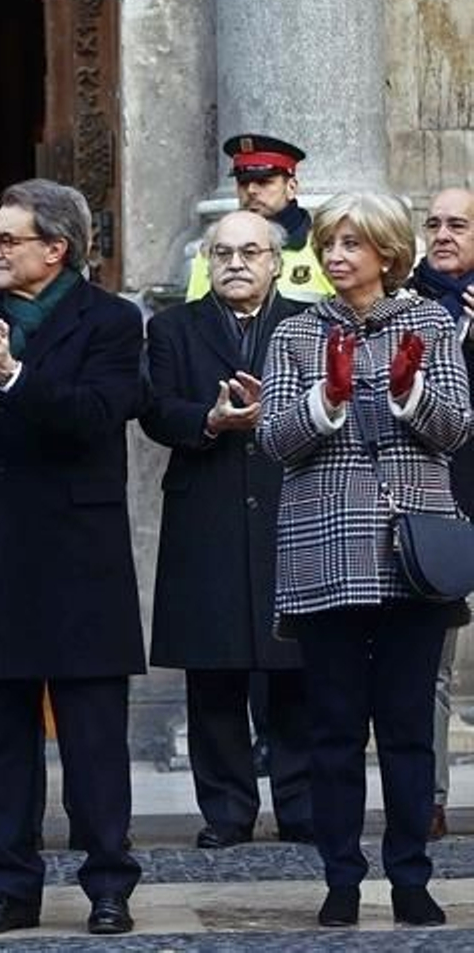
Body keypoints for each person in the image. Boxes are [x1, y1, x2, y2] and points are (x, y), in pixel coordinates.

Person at [0, 179, 144, 937]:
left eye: (6, 239)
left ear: (56, 249)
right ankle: (9, 888)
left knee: (92, 740)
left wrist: (14, 376)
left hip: (81, 557)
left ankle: (109, 883)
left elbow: (94, 418)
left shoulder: (113, 322)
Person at [260, 193, 473, 928]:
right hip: (326, 552)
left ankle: (411, 877)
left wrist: (411, 392)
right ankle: (342, 879)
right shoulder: (295, 333)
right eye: (329, 243)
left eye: (351, 243)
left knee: (410, 726)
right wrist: (327, 397)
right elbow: (275, 441)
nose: (336, 255)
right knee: (335, 727)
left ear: (386, 253)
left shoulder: (431, 324)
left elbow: (454, 431)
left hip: (414, 553)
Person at [141, 210, 312, 849]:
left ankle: (302, 807)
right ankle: (226, 813)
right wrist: (210, 421)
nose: (235, 264)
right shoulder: (171, 328)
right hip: (205, 510)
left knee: (296, 667)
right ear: (205, 263)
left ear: (275, 261)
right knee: (213, 675)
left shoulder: (308, 322)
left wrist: (279, 418)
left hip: (288, 506)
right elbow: (155, 409)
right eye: (222, 253)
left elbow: (332, 402)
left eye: (249, 252)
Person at [407, 187, 474, 842]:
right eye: (435, 224)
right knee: (432, 665)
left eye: (459, 224)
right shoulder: (406, 305)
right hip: (437, 503)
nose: (444, 234)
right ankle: (428, 797)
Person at [185, 134, 333, 304]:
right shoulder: (214, 250)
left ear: (291, 187)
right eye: (243, 182)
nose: (251, 190)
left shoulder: (324, 248)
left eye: (263, 181)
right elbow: (195, 321)